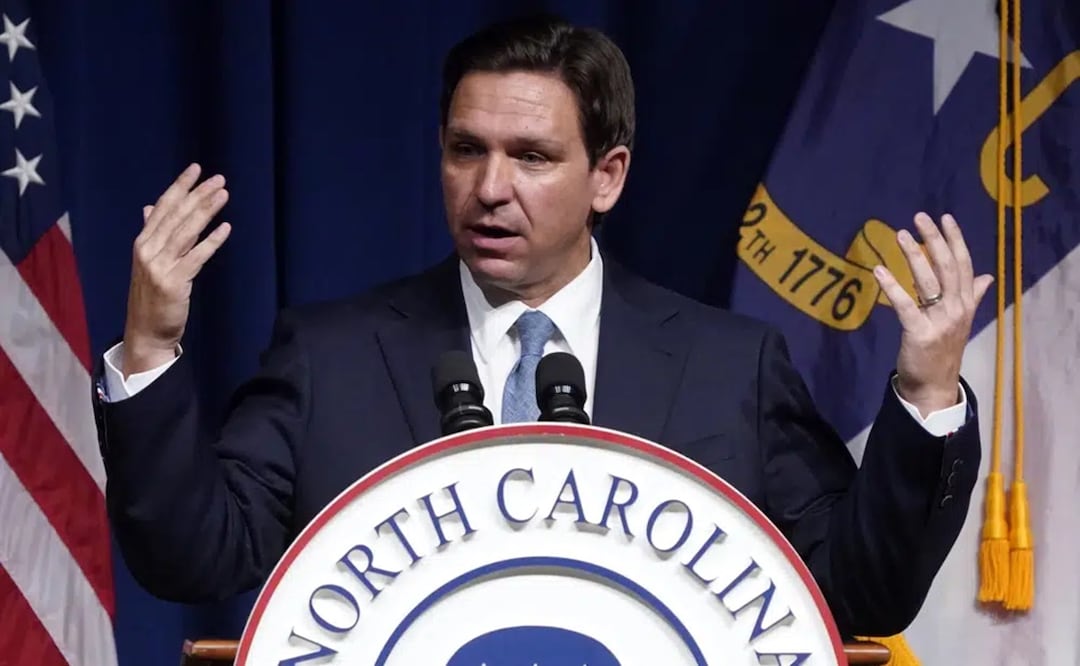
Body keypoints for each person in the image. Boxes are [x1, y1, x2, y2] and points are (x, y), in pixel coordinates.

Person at [92, 14, 991, 639]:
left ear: (607, 176)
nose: (489, 188)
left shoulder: (730, 368)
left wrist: (928, 390)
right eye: (465, 150)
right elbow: (191, 559)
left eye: (530, 157)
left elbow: (861, 587)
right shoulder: (331, 355)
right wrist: (151, 350)